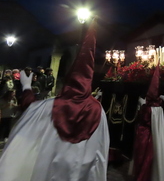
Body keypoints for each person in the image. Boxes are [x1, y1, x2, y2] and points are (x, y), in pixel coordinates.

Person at [0, 19, 109, 181]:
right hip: (82, 169)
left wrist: (27, 87)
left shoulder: (51, 106)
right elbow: (102, 144)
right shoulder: (98, 109)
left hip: (50, 167)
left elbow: (30, 109)